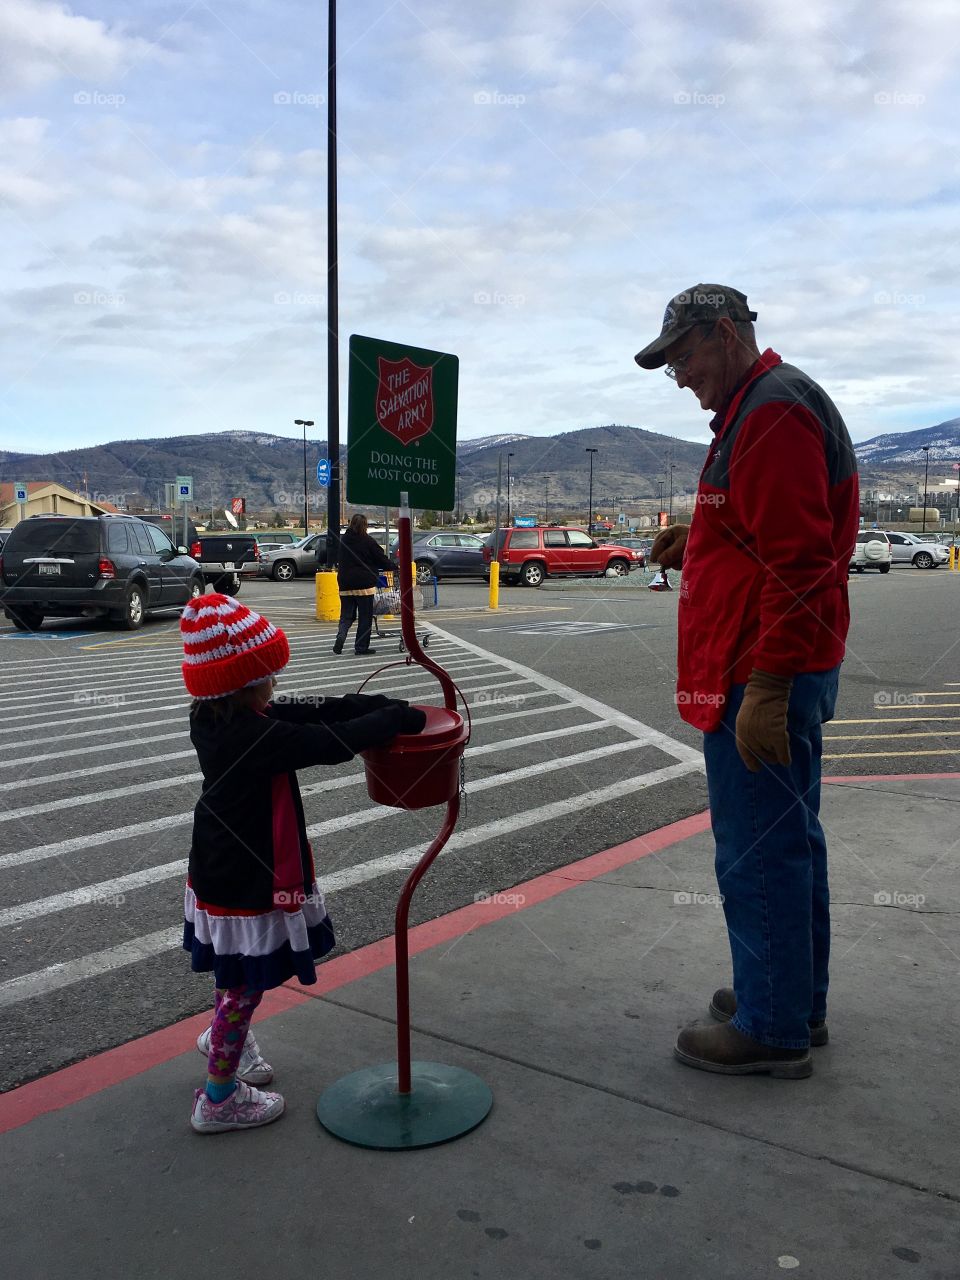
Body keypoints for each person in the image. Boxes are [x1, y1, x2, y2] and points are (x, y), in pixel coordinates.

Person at [635, 283, 859, 1078]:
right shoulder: (763, 405)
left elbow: (799, 561)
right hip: (772, 662)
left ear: (725, 334)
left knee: (757, 850)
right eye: (671, 367)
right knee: (791, 841)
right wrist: (705, 531)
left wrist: (765, 688)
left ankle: (771, 1029)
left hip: (759, 670)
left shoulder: (770, 412)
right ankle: (794, 998)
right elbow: (774, 527)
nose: (681, 377)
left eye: (684, 358)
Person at [180, 592, 426, 1132]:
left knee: (234, 970)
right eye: (268, 672)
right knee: (247, 984)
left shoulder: (220, 716)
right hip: (249, 878)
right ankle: (218, 1098)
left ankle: (225, 1039)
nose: (276, 683)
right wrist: (391, 720)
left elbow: (317, 712)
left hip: (221, 865)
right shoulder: (251, 735)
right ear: (247, 682)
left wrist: (372, 705)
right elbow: (326, 742)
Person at [334, 513, 398, 656]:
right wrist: (393, 567)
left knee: (346, 615)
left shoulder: (344, 540)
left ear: (351, 524)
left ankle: (341, 635)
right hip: (364, 585)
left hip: (345, 584)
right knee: (365, 617)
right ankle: (361, 647)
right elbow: (380, 558)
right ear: (365, 526)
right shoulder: (367, 541)